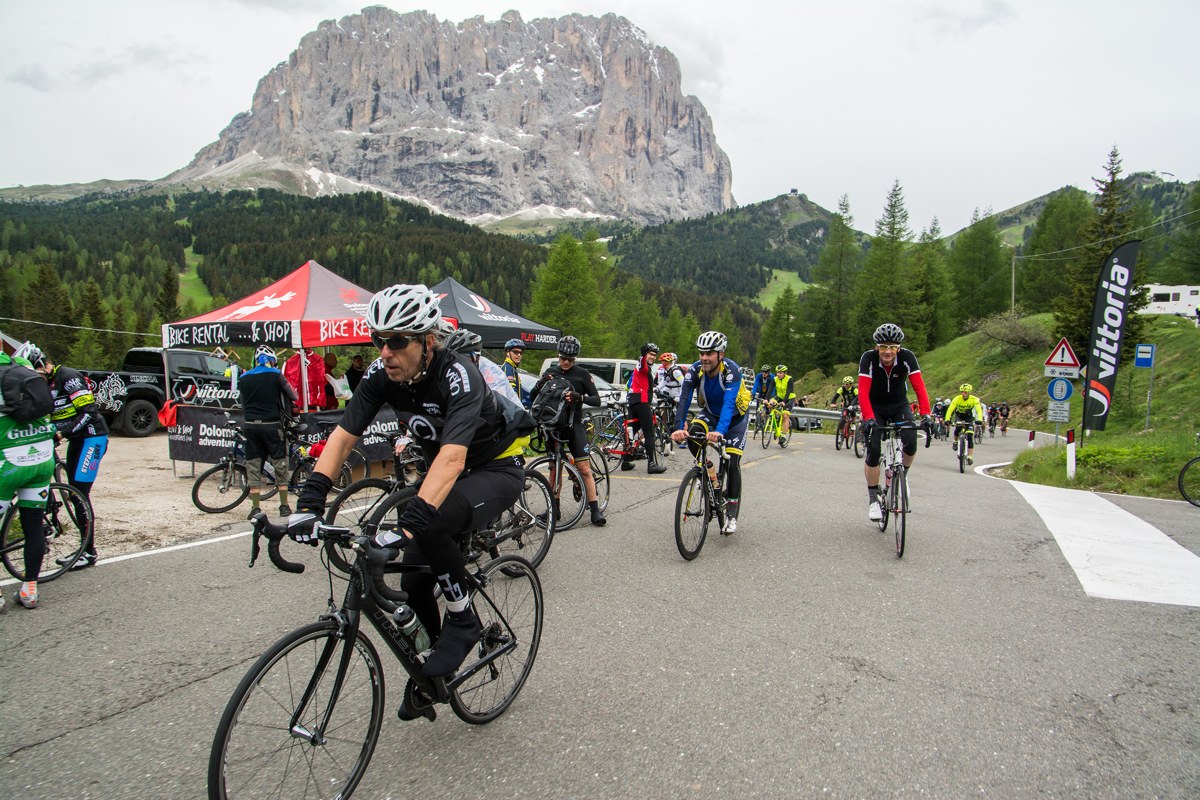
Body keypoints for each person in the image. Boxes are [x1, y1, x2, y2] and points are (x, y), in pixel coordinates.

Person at [286, 284, 529, 698]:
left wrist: (409, 523)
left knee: (428, 525)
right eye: (378, 340)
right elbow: (343, 436)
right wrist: (309, 502)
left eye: (397, 341)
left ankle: (463, 619)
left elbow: (452, 459)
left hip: (494, 468)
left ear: (428, 341)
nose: (385, 352)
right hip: (447, 471)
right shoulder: (381, 376)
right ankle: (433, 674)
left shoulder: (459, 375)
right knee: (415, 582)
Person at [20, 341, 109, 569]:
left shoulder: (68, 377)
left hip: (93, 438)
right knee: (71, 491)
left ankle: (89, 552)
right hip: (76, 439)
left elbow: (88, 413)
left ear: (43, 364)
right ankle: (80, 546)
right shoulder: (44, 384)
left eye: (35, 374)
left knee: (79, 495)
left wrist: (61, 433)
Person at [670, 330, 748, 534]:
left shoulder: (731, 370)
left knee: (732, 462)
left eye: (709, 353)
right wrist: (678, 427)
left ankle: (731, 514)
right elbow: (684, 399)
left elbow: (729, 404)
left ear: (720, 354)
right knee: (694, 432)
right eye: (701, 353)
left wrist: (720, 431)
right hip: (711, 413)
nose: (704, 358)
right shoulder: (695, 370)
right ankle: (708, 472)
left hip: (735, 419)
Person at [529, 335, 608, 525]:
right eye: (563, 358)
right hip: (553, 427)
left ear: (575, 359)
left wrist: (579, 397)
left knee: (584, 469)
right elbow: (533, 396)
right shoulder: (550, 372)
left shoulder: (582, 374)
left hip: (574, 426)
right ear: (558, 355)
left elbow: (596, 400)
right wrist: (540, 383)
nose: (565, 362)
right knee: (554, 469)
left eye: (570, 360)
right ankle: (553, 509)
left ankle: (595, 510)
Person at [857, 323, 931, 522]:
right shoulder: (868, 358)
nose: (887, 351)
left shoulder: (907, 357)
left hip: (899, 405)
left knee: (911, 442)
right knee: (873, 450)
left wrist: (926, 414)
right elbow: (863, 391)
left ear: (898, 348)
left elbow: (919, 386)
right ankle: (873, 500)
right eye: (883, 347)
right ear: (877, 347)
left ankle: (902, 476)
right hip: (875, 407)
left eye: (892, 347)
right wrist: (869, 418)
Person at [1, 347, 55, 608]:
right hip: (41, 460)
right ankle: (29, 591)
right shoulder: (24, 369)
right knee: (33, 525)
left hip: (7, 464)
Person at [238, 345, 298, 517]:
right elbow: (293, 395)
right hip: (271, 425)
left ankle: (255, 508)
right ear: (271, 360)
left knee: (253, 464)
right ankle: (284, 506)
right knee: (279, 463)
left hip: (251, 425)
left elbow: (242, 403)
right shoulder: (276, 374)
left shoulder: (244, 377)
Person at [624, 342, 667, 474]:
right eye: (650, 354)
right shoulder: (643, 365)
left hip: (633, 402)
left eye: (654, 355)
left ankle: (625, 461)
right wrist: (644, 353)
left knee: (632, 433)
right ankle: (651, 464)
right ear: (645, 354)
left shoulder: (641, 367)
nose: (653, 357)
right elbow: (643, 360)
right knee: (649, 434)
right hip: (642, 403)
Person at [944, 383, 985, 465]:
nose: (963, 394)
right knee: (958, 429)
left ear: (969, 392)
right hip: (959, 416)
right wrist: (947, 419)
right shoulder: (957, 399)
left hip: (969, 417)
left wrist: (979, 419)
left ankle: (970, 456)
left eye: (965, 392)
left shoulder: (974, 399)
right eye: (962, 392)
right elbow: (950, 409)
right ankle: (955, 441)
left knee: (970, 436)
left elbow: (979, 410)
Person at [766, 364, 796, 442]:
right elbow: (770, 389)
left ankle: (783, 435)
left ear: (785, 373)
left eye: (780, 373)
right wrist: (766, 399)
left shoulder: (789, 379)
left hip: (789, 398)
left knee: (785, 416)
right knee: (770, 404)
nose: (778, 374)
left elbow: (789, 391)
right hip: (779, 397)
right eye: (777, 372)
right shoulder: (775, 379)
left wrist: (784, 401)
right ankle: (776, 422)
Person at [502, 338, 529, 407]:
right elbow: (511, 394)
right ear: (508, 353)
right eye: (515, 352)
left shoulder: (512, 368)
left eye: (521, 353)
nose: (519, 355)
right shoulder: (508, 368)